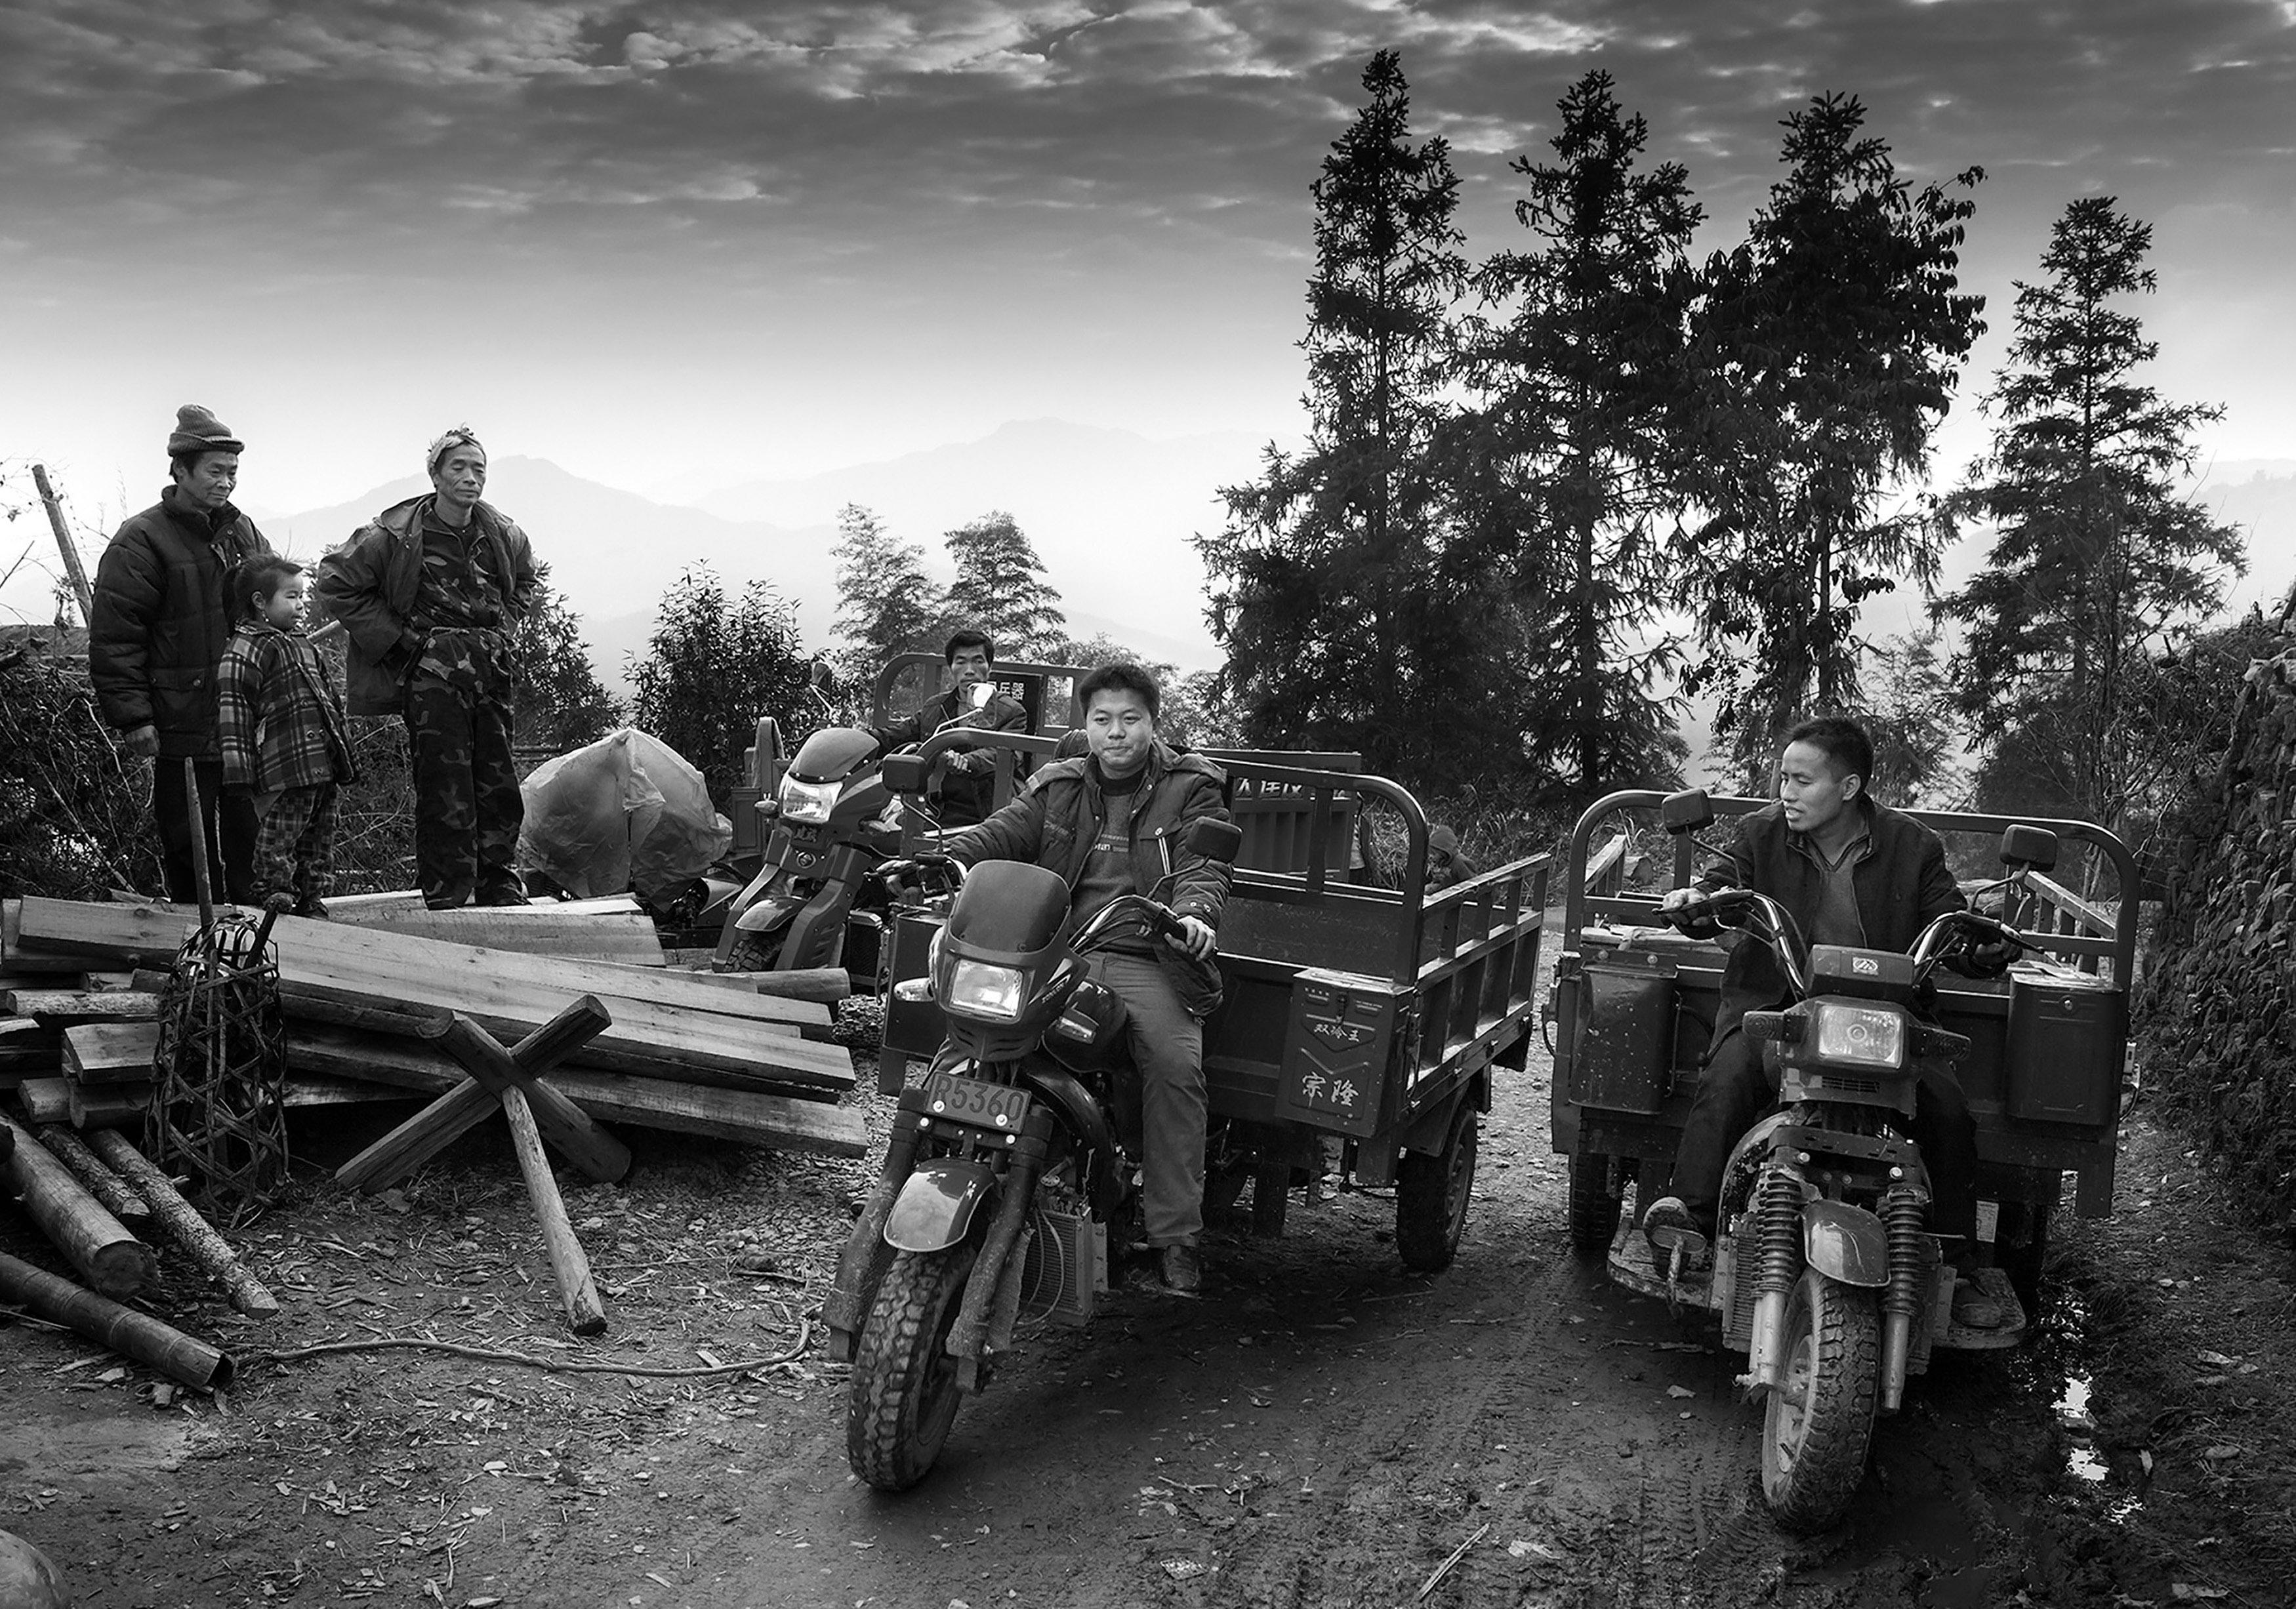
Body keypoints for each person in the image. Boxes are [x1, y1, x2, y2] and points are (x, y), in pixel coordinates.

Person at [1639, 716, 2002, 1328]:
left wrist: (1982, 947)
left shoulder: (1913, 846)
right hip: (1779, 1004)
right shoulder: (1760, 834)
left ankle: (1956, 1269)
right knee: (1727, 1076)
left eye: (1802, 781)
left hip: (1889, 1018)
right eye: (1783, 778)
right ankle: (1690, 1223)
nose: (1786, 792)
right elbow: (1722, 892)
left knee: (1946, 1110)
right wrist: (1696, 906)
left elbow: (1951, 923)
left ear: (1849, 787)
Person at [939, 662, 1232, 1293]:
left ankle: (1175, 1235)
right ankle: (933, 1174)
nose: (1115, 732)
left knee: (1176, 1067)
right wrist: (948, 859)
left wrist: (1194, 913)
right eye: (1102, 719)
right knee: (966, 1038)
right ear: (1086, 723)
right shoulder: (1060, 783)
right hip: (1059, 951)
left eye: (1130, 719)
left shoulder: (1192, 786)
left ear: (1153, 722)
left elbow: (1204, 865)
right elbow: (1002, 832)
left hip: (1148, 953)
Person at [314, 427, 537, 910]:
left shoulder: (502, 533)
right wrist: (403, 641)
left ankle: (498, 881)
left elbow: (525, 579)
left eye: (479, 468)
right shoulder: (397, 534)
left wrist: (505, 627)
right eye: (458, 467)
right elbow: (334, 581)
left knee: (499, 783)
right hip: (433, 677)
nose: (471, 477)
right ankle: (447, 891)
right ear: (435, 474)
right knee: (443, 784)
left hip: (491, 673)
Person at [89, 405, 274, 905]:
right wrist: (134, 718)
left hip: (243, 716)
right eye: (215, 471)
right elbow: (116, 636)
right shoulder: (141, 540)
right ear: (180, 470)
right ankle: (196, 932)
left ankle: (254, 933)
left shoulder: (243, 531)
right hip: (178, 718)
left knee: (252, 835)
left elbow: (271, 609)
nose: (226, 482)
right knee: (187, 837)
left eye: (232, 472)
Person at [215, 556, 356, 918]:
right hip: (282, 769)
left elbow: (330, 702)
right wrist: (240, 774)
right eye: (291, 597)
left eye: (302, 596)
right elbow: (234, 715)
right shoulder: (245, 649)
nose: (300, 605)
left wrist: (342, 753)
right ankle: (275, 893)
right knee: (278, 836)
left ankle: (312, 897)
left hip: (320, 764)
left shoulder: (303, 645)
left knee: (320, 835)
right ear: (260, 602)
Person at [867, 628, 1031, 828]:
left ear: (990, 667)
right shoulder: (935, 707)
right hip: (938, 808)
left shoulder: (1012, 712)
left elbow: (1003, 753)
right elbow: (897, 735)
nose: (969, 670)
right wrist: (858, 741)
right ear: (951, 667)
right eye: (961, 662)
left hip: (988, 812)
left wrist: (966, 761)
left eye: (978, 661)